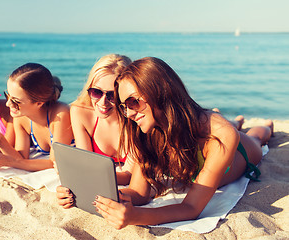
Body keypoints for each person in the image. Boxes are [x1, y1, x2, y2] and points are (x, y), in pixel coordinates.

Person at [93, 57, 274, 229]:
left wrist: (135, 216)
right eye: (124, 106)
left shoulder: (221, 135)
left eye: (133, 102)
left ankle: (265, 126)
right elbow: (139, 193)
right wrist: (98, 198)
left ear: (159, 91)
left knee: (256, 139)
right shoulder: (146, 130)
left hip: (240, 153)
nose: (130, 114)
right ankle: (236, 121)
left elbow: (192, 208)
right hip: (198, 126)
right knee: (225, 125)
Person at [56, 54, 136, 209]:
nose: (103, 102)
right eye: (96, 92)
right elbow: (85, 164)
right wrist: (67, 188)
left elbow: (129, 177)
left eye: (112, 95)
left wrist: (86, 176)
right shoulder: (80, 112)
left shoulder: (135, 118)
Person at [0, 63, 74, 172]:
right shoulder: (21, 118)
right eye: (7, 95)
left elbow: (53, 162)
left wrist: (8, 161)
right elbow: (21, 157)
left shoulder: (60, 114)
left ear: (39, 103)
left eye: (16, 101)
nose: (8, 104)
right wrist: (0, 139)